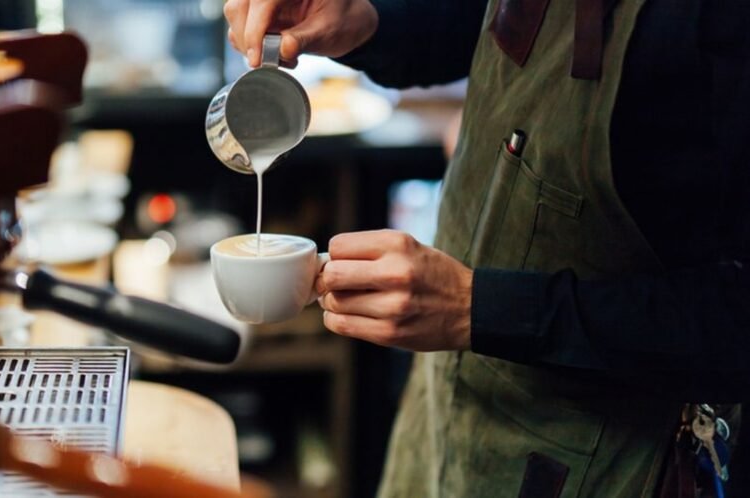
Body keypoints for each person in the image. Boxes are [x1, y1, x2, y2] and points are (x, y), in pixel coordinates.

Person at [225, 0, 749, 496]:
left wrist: (480, 307)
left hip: (606, 457)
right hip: (446, 408)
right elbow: (477, 23)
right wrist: (371, 21)